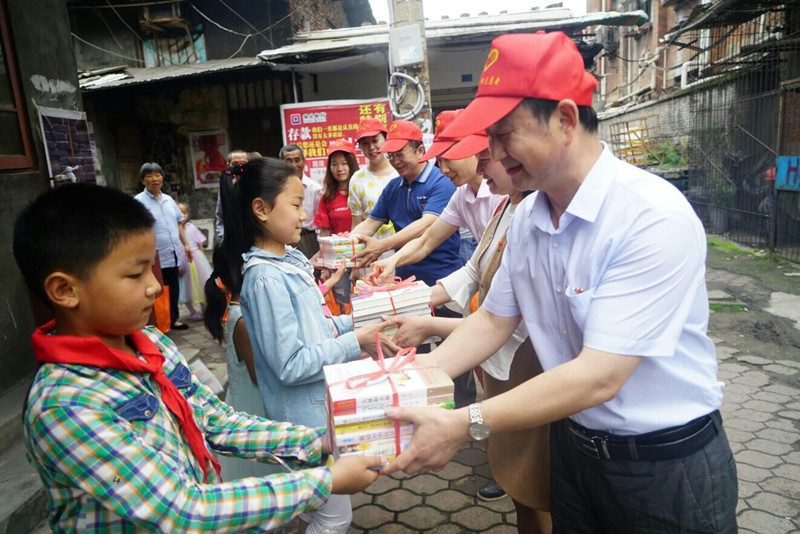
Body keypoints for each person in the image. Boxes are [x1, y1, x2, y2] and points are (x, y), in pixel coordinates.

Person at [382, 31, 738, 534]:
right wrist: (401, 383)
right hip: (575, 448)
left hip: (662, 464)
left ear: (566, 120)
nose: (494, 152)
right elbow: (493, 320)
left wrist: (464, 422)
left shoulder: (650, 216)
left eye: (504, 133)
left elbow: (599, 375)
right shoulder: (530, 218)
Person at [12, 183, 384, 533]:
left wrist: (318, 441)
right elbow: (181, 509)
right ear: (65, 290)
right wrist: (324, 481)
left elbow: (212, 420)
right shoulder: (66, 404)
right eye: (135, 274)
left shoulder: (151, 343)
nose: (155, 286)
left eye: (152, 268)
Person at [217, 158, 400, 534]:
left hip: (318, 410)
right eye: (297, 204)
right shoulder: (265, 278)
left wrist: (364, 322)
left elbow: (319, 327)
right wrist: (355, 341)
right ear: (261, 209)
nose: (305, 214)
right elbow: (291, 364)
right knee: (335, 517)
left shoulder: (289, 260)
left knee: (311, 511)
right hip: (302, 421)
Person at [389, 133, 551, 532]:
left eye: (485, 159)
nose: (479, 169)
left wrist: (427, 328)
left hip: (525, 366)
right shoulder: (509, 207)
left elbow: (506, 323)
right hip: (498, 362)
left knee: (537, 484)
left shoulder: (534, 213)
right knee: (519, 483)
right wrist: (417, 305)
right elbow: (474, 272)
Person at [371, 110, 503, 287]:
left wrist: (383, 247)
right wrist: (392, 261)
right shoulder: (461, 196)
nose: (444, 169)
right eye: (440, 161)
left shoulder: (503, 193)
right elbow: (427, 241)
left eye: (448, 158)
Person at [203, 246, 283, 482]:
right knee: (259, 469)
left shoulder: (241, 311)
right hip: (254, 401)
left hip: (247, 395)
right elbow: (258, 374)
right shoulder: (242, 320)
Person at [349, 120, 461, 286]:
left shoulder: (442, 182)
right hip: (405, 280)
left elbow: (426, 224)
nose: (395, 161)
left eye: (400, 154)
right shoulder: (393, 188)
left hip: (442, 278)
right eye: (391, 156)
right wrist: (340, 247)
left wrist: (382, 245)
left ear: (420, 151)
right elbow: (370, 223)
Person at [134, 162, 192, 331]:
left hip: (172, 252)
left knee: (173, 287)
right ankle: (158, 321)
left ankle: (173, 319)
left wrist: (186, 245)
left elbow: (179, 223)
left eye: (157, 175)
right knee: (156, 288)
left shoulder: (168, 200)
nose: (154, 179)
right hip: (153, 256)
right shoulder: (138, 202)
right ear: (142, 180)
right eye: (149, 176)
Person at [313, 139, 360, 309]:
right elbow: (325, 235)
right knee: (343, 304)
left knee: (366, 301)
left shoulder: (361, 190)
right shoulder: (327, 197)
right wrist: (325, 267)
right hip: (339, 263)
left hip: (364, 258)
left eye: (344, 163)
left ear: (352, 164)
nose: (339, 168)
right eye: (334, 164)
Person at [349, 118, 398, 247]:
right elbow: (357, 223)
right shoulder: (357, 179)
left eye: (375, 141)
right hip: (370, 250)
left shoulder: (401, 171)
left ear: (386, 139)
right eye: (365, 143)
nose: (371, 147)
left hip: (403, 248)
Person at [281, 144, 323, 259]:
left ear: (303, 162)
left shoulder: (315, 189)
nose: (293, 165)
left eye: (297, 160)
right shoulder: (276, 189)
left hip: (308, 238)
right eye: (288, 161)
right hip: (284, 238)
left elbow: (320, 221)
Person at [178, 202, 212, 321]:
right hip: (183, 261)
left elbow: (200, 244)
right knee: (185, 287)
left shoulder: (191, 227)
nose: (182, 215)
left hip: (196, 259)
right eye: (179, 212)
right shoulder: (174, 230)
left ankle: (204, 309)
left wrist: (202, 259)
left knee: (201, 284)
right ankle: (192, 311)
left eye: (185, 212)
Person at [215, 149, 249, 239]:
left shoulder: (258, 184)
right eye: (235, 164)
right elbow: (220, 214)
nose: (239, 167)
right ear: (228, 165)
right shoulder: (225, 187)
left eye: (243, 163)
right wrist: (222, 234)